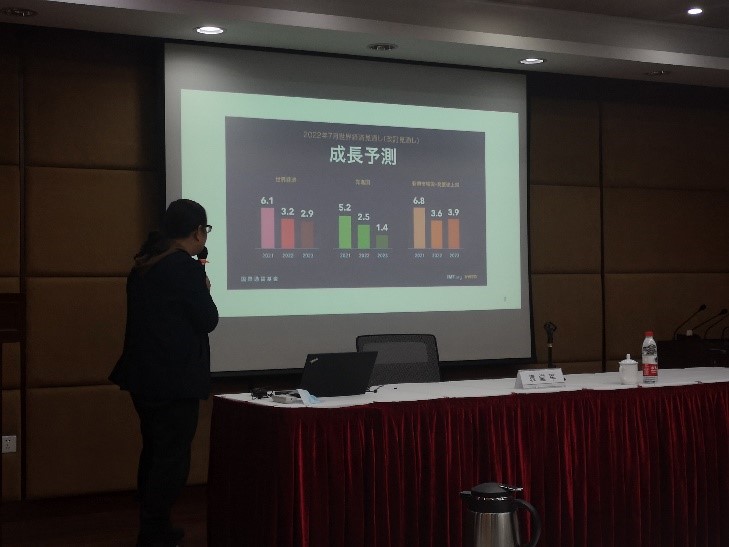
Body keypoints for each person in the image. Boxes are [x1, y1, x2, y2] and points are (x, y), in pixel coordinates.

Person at [110, 199, 219, 547]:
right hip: (174, 381)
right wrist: (204, 289)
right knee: (171, 458)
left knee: (155, 452)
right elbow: (208, 319)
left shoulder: (145, 264)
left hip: (145, 378)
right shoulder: (183, 268)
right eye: (205, 230)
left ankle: (153, 524)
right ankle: (154, 530)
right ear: (197, 232)